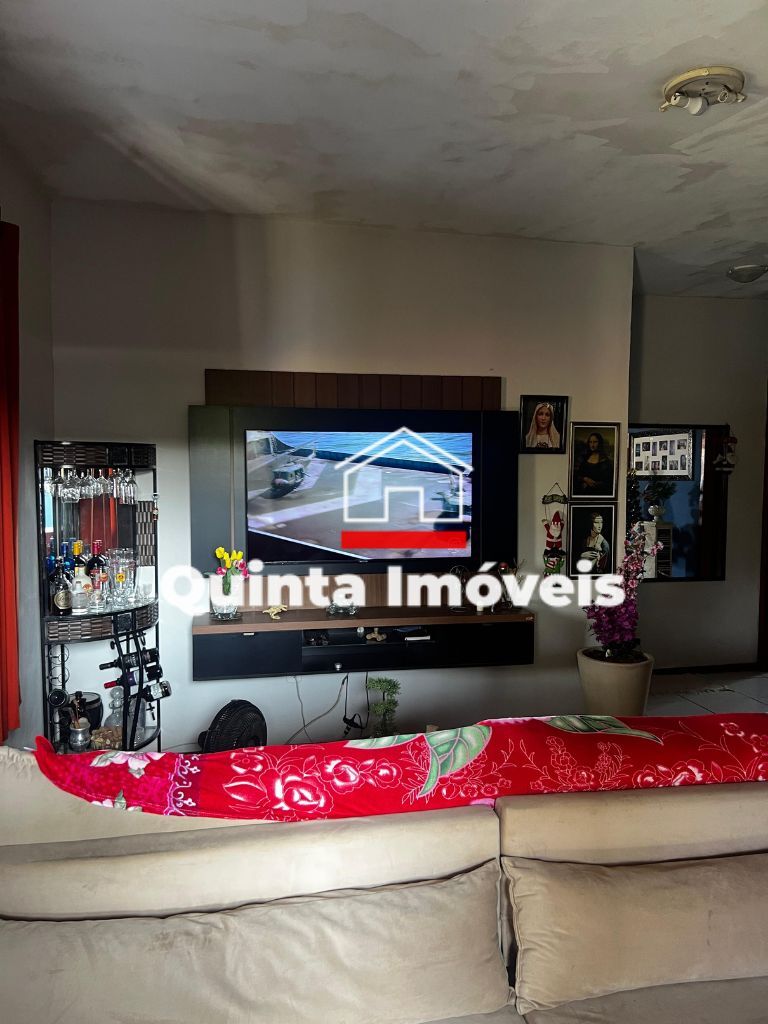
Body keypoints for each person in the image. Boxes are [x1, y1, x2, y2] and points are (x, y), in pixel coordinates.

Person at [572, 432, 614, 496]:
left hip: (599, 494)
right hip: (583, 494)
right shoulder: (584, 458)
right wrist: (584, 479)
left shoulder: (605, 461)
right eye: (590, 442)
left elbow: (608, 482)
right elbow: (577, 475)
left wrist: (593, 484)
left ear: (600, 443)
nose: (592, 445)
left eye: (595, 442)